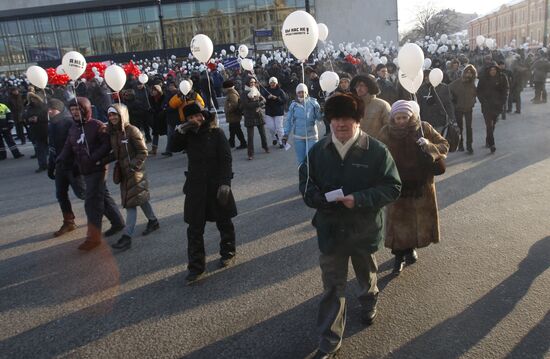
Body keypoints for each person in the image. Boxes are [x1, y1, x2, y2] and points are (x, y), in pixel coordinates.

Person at [299, 93, 401, 358]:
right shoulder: (318, 151)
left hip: (363, 227)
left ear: (358, 121)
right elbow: (306, 183)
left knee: (366, 272)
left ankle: (369, 300)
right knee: (333, 286)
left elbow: (392, 187)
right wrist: (316, 198)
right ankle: (329, 341)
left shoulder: (377, 151)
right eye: (335, 118)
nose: (340, 124)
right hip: (330, 229)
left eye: (346, 118)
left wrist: (359, 198)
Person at [377, 100, 449, 274]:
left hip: (421, 184)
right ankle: (398, 257)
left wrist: (429, 146)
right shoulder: (386, 132)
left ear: (411, 116)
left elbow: (445, 145)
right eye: (398, 117)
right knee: (398, 223)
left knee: (415, 221)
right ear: (393, 117)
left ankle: (410, 250)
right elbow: (377, 153)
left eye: (405, 117)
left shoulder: (423, 128)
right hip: (397, 184)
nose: (401, 121)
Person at [170, 104, 237, 284]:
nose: (195, 120)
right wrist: (180, 131)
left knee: (224, 221)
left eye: (198, 116)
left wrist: (225, 183)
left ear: (204, 115)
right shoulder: (187, 135)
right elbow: (173, 147)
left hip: (217, 186)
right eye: (191, 117)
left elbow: (226, 159)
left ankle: (228, 252)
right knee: (194, 228)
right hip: (195, 187)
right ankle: (196, 267)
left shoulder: (216, 133)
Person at [56, 97, 125, 251]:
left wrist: (93, 159)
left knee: (92, 202)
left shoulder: (97, 125)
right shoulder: (73, 128)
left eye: (77, 109)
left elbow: (107, 145)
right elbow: (69, 146)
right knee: (103, 197)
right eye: (72, 109)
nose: (74, 112)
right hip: (84, 169)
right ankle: (118, 222)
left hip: (97, 169)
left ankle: (93, 238)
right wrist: (58, 161)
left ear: (85, 109)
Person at [106, 104, 159, 251]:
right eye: (110, 115)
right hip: (124, 173)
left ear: (122, 114)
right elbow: (116, 153)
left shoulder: (132, 130)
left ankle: (126, 237)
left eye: (115, 114)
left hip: (135, 173)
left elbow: (143, 152)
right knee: (140, 198)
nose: (112, 117)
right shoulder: (114, 133)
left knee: (131, 204)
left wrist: (132, 166)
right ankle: (153, 221)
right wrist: (100, 161)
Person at [46, 99, 85, 237]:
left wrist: (77, 164)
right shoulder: (51, 125)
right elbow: (52, 148)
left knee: (83, 193)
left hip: (73, 166)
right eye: (49, 109)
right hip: (60, 165)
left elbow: (78, 145)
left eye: (53, 109)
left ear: (60, 110)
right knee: (61, 194)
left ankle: (109, 214)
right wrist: (51, 166)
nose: (50, 111)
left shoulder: (69, 122)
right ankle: (69, 222)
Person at [282, 84, 322, 165]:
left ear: (306, 92)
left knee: (310, 159)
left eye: (303, 92)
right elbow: (289, 120)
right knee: (301, 160)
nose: (301, 94)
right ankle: (303, 176)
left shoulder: (313, 103)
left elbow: (319, 118)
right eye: (299, 92)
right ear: (296, 93)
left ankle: (311, 177)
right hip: (298, 137)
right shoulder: (293, 105)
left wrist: (321, 111)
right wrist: (285, 134)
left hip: (312, 136)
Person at [166, 81, 205, 156]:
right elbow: (172, 104)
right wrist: (180, 100)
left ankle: (196, 148)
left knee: (196, 133)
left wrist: (194, 104)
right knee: (187, 135)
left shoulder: (195, 95)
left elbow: (202, 104)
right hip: (184, 118)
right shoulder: (178, 95)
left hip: (195, 118)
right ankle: (188, 148)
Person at [477, 62, 508, 154]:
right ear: (488, 70)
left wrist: (502, 101)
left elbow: (506, 90)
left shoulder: (502, 77)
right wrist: (482, 100)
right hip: (486, 105)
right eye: (491, 70)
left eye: (494, 69)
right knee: (489, 125)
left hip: (497, 105)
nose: (493, 71)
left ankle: (488, 139)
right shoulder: (483, 78)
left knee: (493, 124)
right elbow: (478, 91)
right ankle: (492, 144)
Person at [350, 74, 390, 139]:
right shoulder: (352, 105)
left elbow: (389, 127)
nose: (359, 88)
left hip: (377, 145)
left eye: (361, 85)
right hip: (357, 145)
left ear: (369, 87)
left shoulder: (382, 105)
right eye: (356, 86)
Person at [449, 64, 477, 154]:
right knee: (460, 128)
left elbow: (475, 93)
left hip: (469, 108)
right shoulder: (457, 83)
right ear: (464, 73)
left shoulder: (473, 83)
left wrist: (473, 101)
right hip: (459, 108)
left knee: (469, 128)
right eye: (467, 72)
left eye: (471, 73)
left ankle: (469, 146)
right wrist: (453, 99)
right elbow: (449, 89)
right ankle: (460, 144)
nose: (469, 74)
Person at [240, 77, 269, 160]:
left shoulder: (256, 90)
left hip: (258, 114)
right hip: (249, 116)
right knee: (250, 136)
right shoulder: (244, 93)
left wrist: (260, 103)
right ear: (247, 83)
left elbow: (263, 100)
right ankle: (250, 153)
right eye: (251, 82)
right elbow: (247, 105)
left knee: (263, 133)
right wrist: (258, 103)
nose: (252, 83)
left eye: (254, 82)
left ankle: (265, 147)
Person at [24, 92, 49, 172]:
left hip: (45, 129)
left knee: (51, 149)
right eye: (30, 98)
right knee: (39, 150)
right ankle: (42, 165)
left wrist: (38, 119)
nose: (32, 100)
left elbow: (48, 117)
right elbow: (25, 117)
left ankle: (54, 164)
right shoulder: (29, 107)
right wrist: (29, 120)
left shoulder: (43, 106)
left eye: (33, 98)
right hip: (35, 131)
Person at [261, 77, 288, 148]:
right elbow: (262, 99)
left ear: (276, 83)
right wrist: (267, 98)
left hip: (278, 111)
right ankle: (274, 137)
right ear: (269, 83)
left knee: (279, 127)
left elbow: (284, 100)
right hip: (269, 111)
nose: (272, 84)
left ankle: (281, 142)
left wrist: (276, 98)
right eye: (271, 83)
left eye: (274, 83)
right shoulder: (266, 90)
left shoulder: (280, 91)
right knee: (271, 127)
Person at [222, 80, 247, 149]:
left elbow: (234, 105)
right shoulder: (230, 93)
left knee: (237, 130)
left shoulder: (232, 94)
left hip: (234, 115)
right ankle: (231, 142)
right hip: (233, 116)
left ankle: (243, 143)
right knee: (232, 130)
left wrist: (228, 110)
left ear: (227, 87)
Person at [149, 84, 166, 156]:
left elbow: (163, 106)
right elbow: (152, 106)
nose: (153, 92)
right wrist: (151, 110)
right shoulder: (151, 97)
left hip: (163, 117)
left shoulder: (163, 96)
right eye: (153, 90)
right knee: (155, 133)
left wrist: (159, 110)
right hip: (156, 117)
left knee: (168, 132)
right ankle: (154, 149)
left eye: (155, 90)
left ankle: (171, 147)